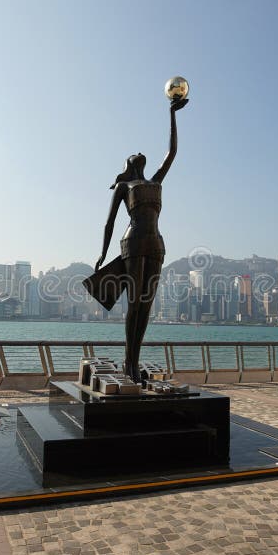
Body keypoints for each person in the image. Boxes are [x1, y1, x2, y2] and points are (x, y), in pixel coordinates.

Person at [90, 97, 188, 384]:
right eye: (132, 153)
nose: (138, 151)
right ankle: (128, 363)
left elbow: (172, 153)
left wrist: (172, 114)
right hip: (132, 244)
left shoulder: (156, 181)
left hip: (156, 245)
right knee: (134, 303)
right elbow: (109, 223)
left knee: (146, 305)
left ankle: (134, 359)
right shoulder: (124, 185)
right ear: (129, 165)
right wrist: (101, 254)